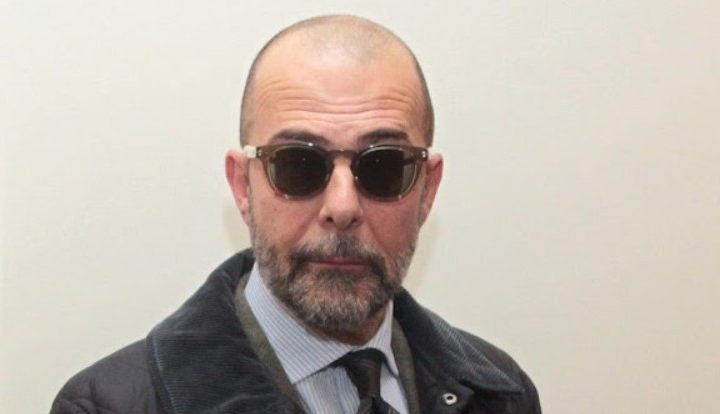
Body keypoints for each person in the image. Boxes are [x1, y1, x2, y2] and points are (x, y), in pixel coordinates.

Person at [51, 15, 540, 414]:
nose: (342, 207)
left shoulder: (501, 394)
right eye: (298, 166)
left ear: (427, 189)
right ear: (243, 186)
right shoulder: (109, 407)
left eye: (384, 167)